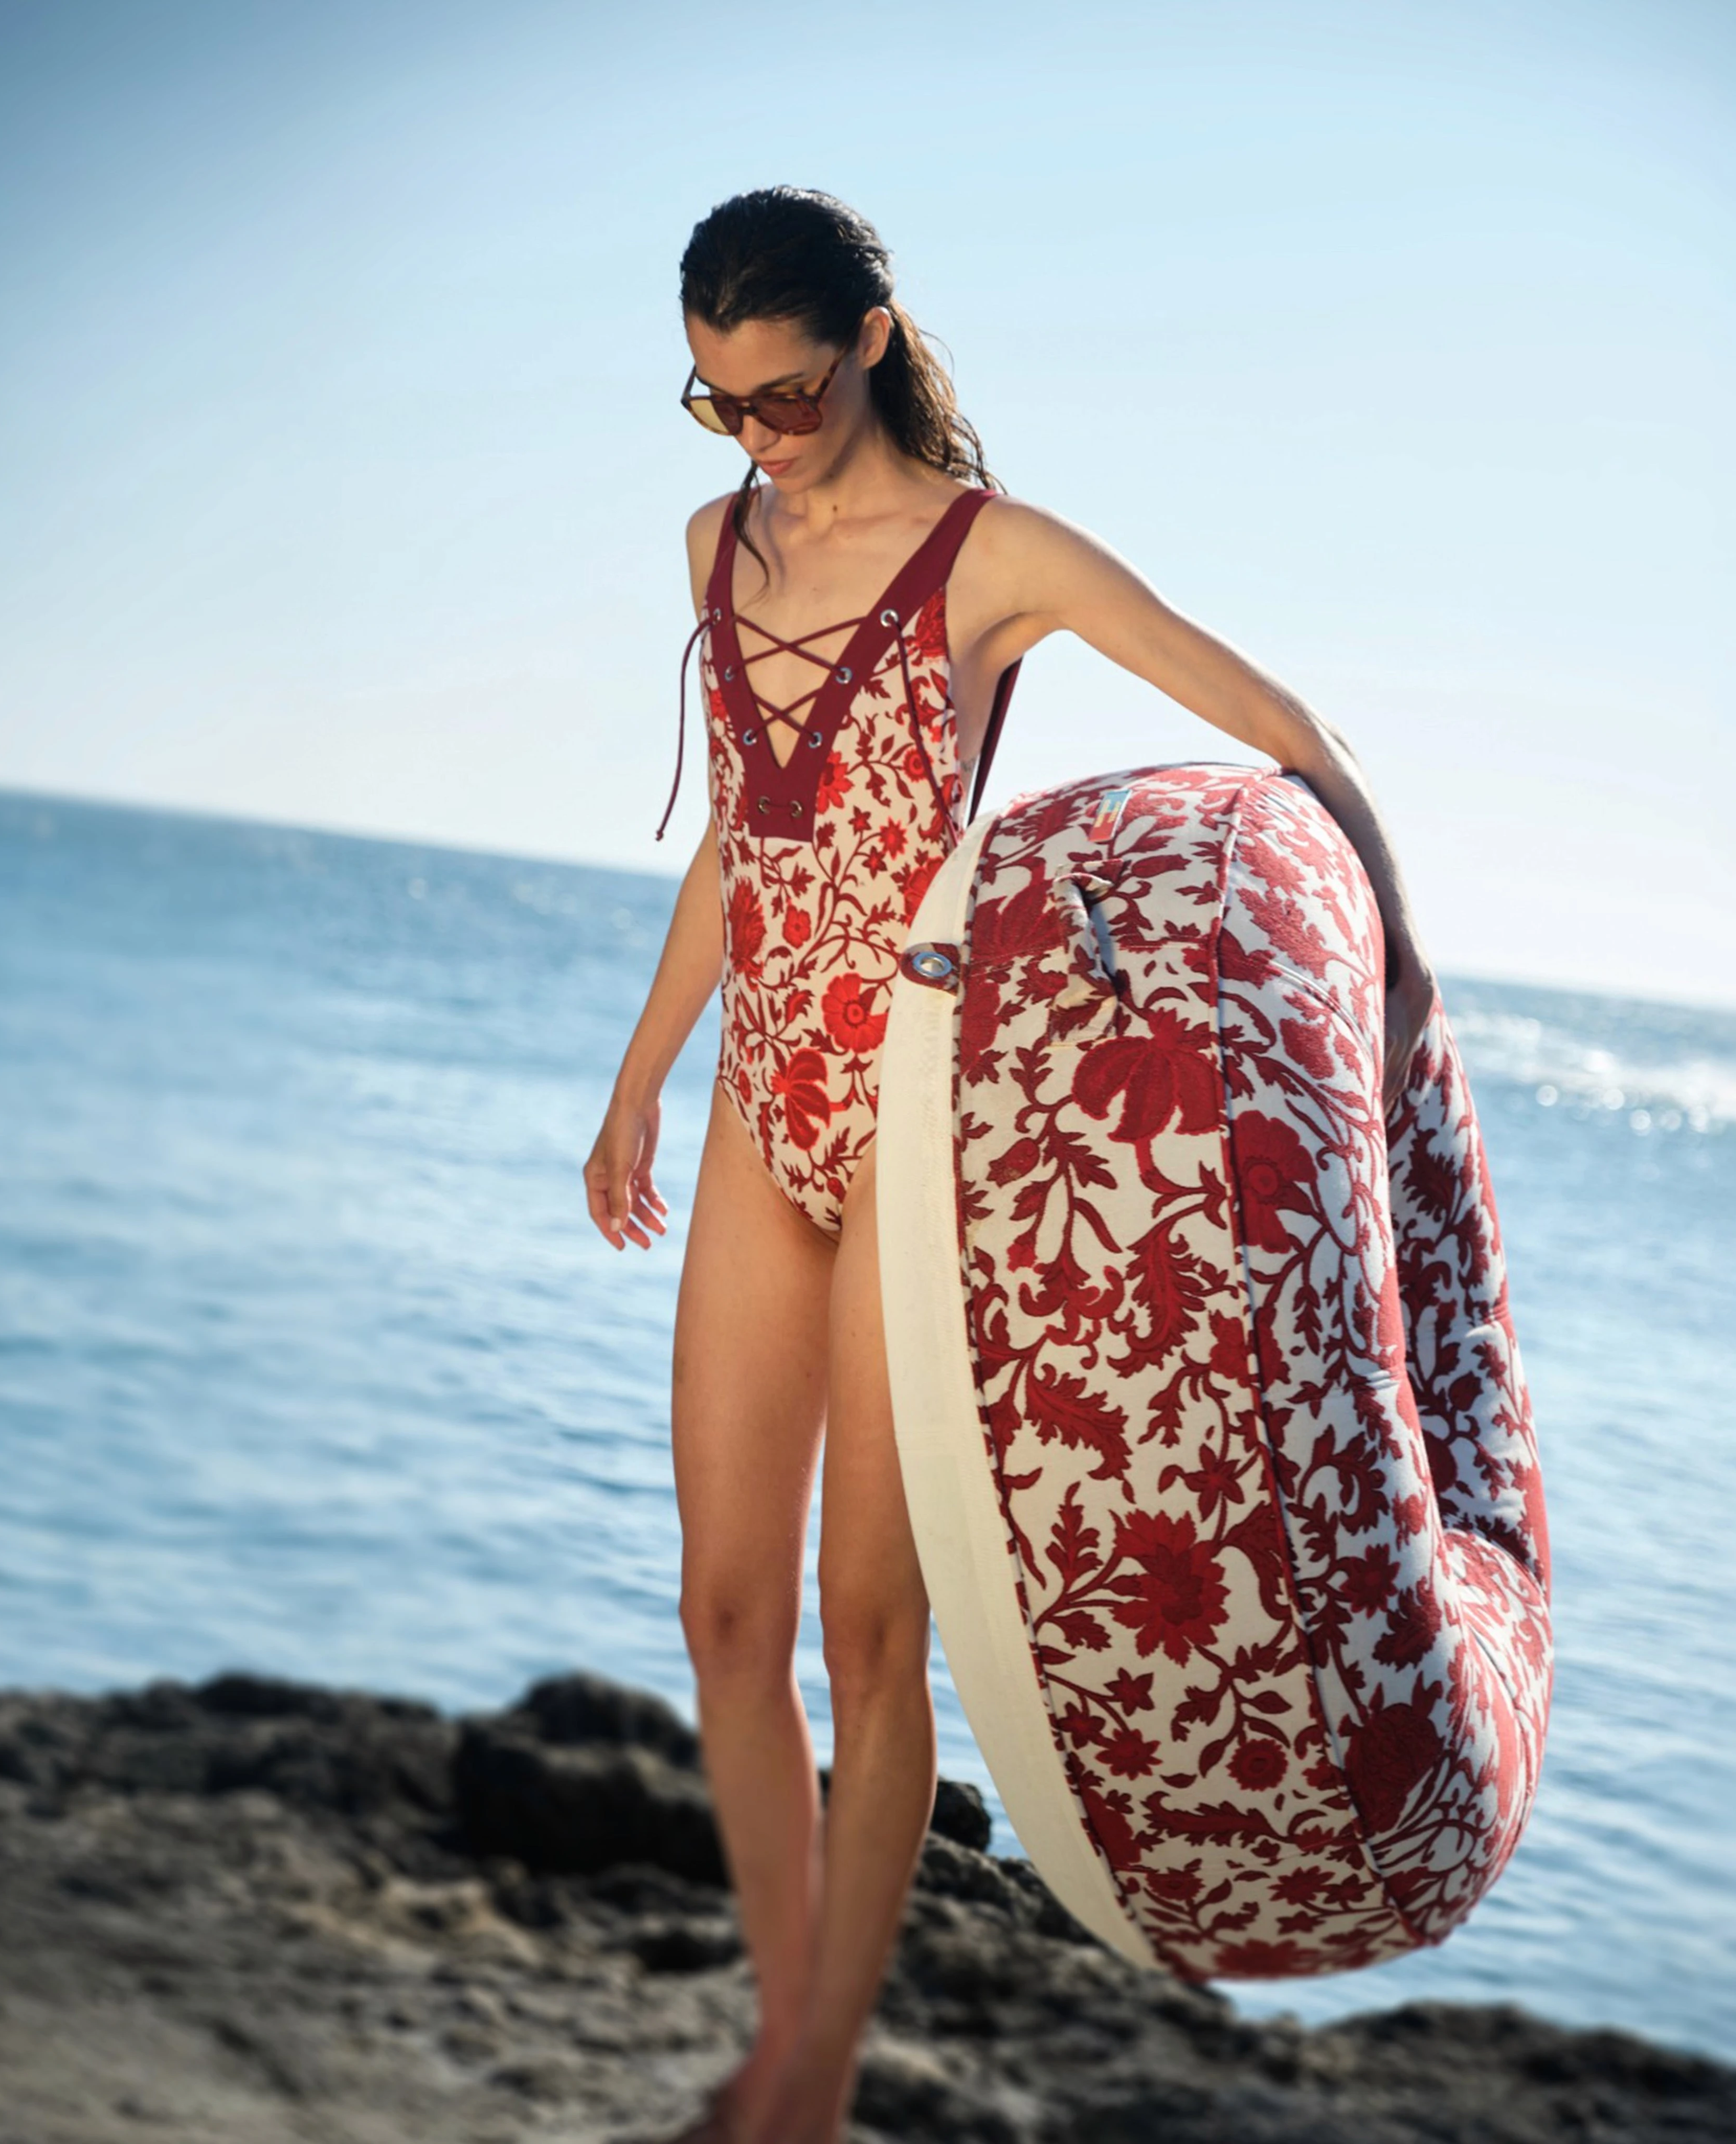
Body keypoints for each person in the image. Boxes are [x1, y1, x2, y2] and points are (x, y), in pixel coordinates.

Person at [580, 185, 1436, 2144]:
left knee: (873, 1640)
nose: (758, 441)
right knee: (728, 1613)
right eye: (716, 407)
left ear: (869, 340)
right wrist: (640, 1074)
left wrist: (1395, 958)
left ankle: (800, 2084)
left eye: (784, 395)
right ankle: (787, 2035)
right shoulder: (717, 546)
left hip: (911, 1129)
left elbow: (1283, 726)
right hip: (755, 1109)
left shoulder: (994, 557)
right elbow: (741, 837)